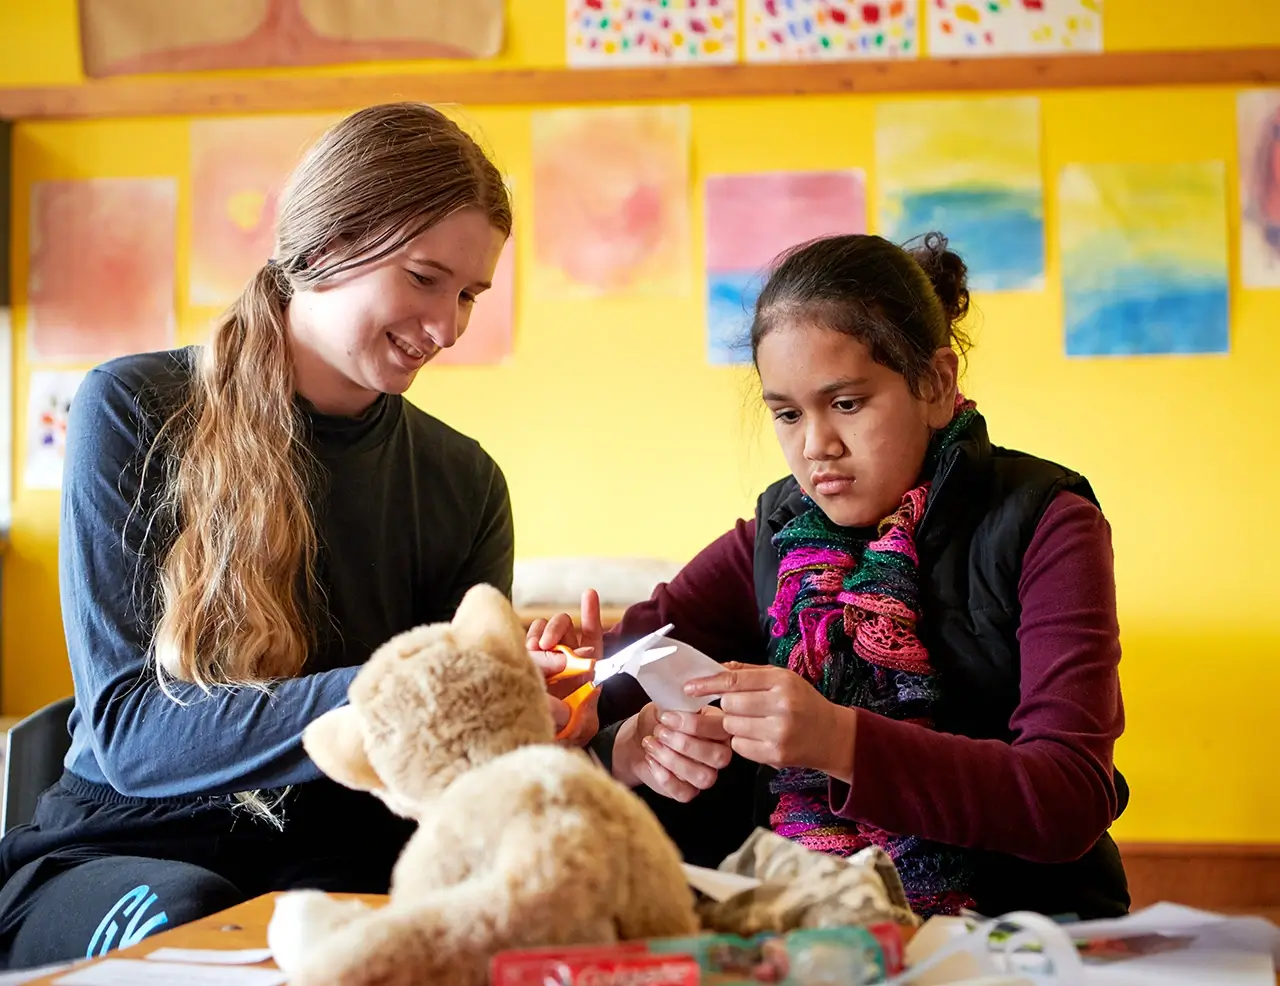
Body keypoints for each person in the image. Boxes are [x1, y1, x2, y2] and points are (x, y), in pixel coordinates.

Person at [0, 102, 593, 970]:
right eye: (426, 278)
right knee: (205, 923)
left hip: (346, 860)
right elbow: (133, 737)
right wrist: (411, 686)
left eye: (469, 295)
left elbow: (441, 772)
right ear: (323, 247)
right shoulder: (131, 409)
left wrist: (530, 714)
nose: (448, 327)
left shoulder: (466, 483)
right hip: (127, 854)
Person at [530, 232, 1130, 920]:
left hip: (1018, 937)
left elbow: (1069, 796)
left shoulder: (1048, 520)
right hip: (810, 927)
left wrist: (840, 740)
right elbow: (624, 661)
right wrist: (569, 686)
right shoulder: (776, 533)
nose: (816, 447)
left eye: (846, 403)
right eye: (787, 414)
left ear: (936, 384)